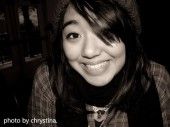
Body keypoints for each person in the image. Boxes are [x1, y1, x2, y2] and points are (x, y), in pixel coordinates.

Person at [28, 0, 170, 127]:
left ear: (129, 37)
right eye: (74, 35)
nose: (89, 52)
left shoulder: (156, 78)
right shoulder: (48, 81)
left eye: (107, 32)